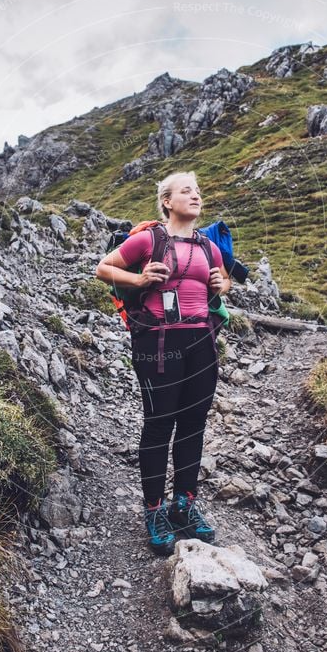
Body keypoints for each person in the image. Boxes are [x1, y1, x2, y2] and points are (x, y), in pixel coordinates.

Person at [95, 171, 231, 555]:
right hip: (157, 342)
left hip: (202, 341)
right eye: (186, 190)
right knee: (159, 426)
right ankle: (154, 510)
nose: (195, 195)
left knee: (193, 426)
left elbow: (221, 283)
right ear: (167, 202)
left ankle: (184, 506)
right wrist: (138, 282)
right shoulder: (149, 239)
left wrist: (223, 286)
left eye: (198, 190)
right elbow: (103, 268)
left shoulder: (209, 247)